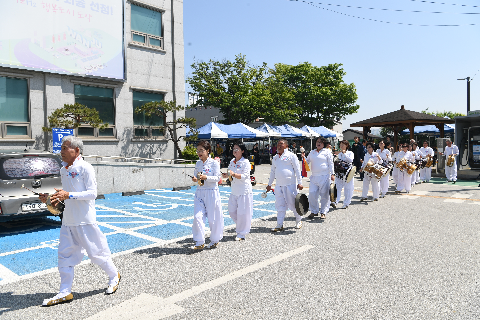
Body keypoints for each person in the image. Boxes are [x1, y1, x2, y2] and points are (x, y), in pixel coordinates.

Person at [40, 136, 120, 307]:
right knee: (64, 257)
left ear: (77, 151)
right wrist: (50, 199)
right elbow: (66, 196)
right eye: (61, 148)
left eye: (65, 148)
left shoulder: (86, 168)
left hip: (85, 220)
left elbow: (92, 194)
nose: (61, 151)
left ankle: (114, 276)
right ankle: (65, 292)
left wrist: (68, 194)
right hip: (68, 220)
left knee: (97, 253)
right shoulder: (63, 170)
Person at [191, 140, 224, 250]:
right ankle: (199, 241)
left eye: (201, 150)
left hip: (211, 192)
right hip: (200, 192)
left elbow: (218, 178)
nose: (199, 153)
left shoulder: (214, 163)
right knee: (197, 216)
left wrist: (207, 177)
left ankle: (215, 240)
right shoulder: (198, 163)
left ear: (208, 150)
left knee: (213, 218)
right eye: (198, 150)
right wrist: (195, 179)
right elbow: (196, 176)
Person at [267, 139, 304, 231]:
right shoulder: (275, 157)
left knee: (293, 204)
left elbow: (297, 169)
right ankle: (279, 224)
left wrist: (300, 182)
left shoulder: (291, 155)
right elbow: (272, 172)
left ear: (286, 146)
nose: (279, 145)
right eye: (278, 144)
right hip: (279, 185)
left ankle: (299, 220)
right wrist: (269, 184)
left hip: (290, 184)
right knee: (280, 205)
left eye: (281, 144)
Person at [225, 142, 253, 241]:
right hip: (234, 190)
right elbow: (230, 173)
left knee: (242, 213)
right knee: (232, 211)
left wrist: (233, 174)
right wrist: (227, 175)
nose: (235, 151)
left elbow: (245, 176)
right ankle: (244, 224)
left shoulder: (245, 162)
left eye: (237, 149)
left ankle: (241, 233)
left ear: (242, 151)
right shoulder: (232, 161)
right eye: (234, 149)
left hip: (243, 191)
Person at [304, 137, 335, 219]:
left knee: (324, 195)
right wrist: (303, 158)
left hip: (324, 176)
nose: (319, 143)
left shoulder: (327, 152)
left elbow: (331, 163)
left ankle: (323, 212)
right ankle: (314, 211)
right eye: (317, 142)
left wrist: (332, 174)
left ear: (323, 144)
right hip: (314, 176)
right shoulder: (312, 152)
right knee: (312, 194)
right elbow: (307, 162)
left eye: (321, 142)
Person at [334, 140, 354, 209]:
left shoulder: (350, 153)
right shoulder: (339, 154)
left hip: (348, 172)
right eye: (340, 145)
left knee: (348, 188)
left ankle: (346, 203)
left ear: (347, 145)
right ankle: (335, 201)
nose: (341, 146)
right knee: (337, 187)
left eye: (343, 144)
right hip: (340, 172)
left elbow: (350, 160)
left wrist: (345, 154)